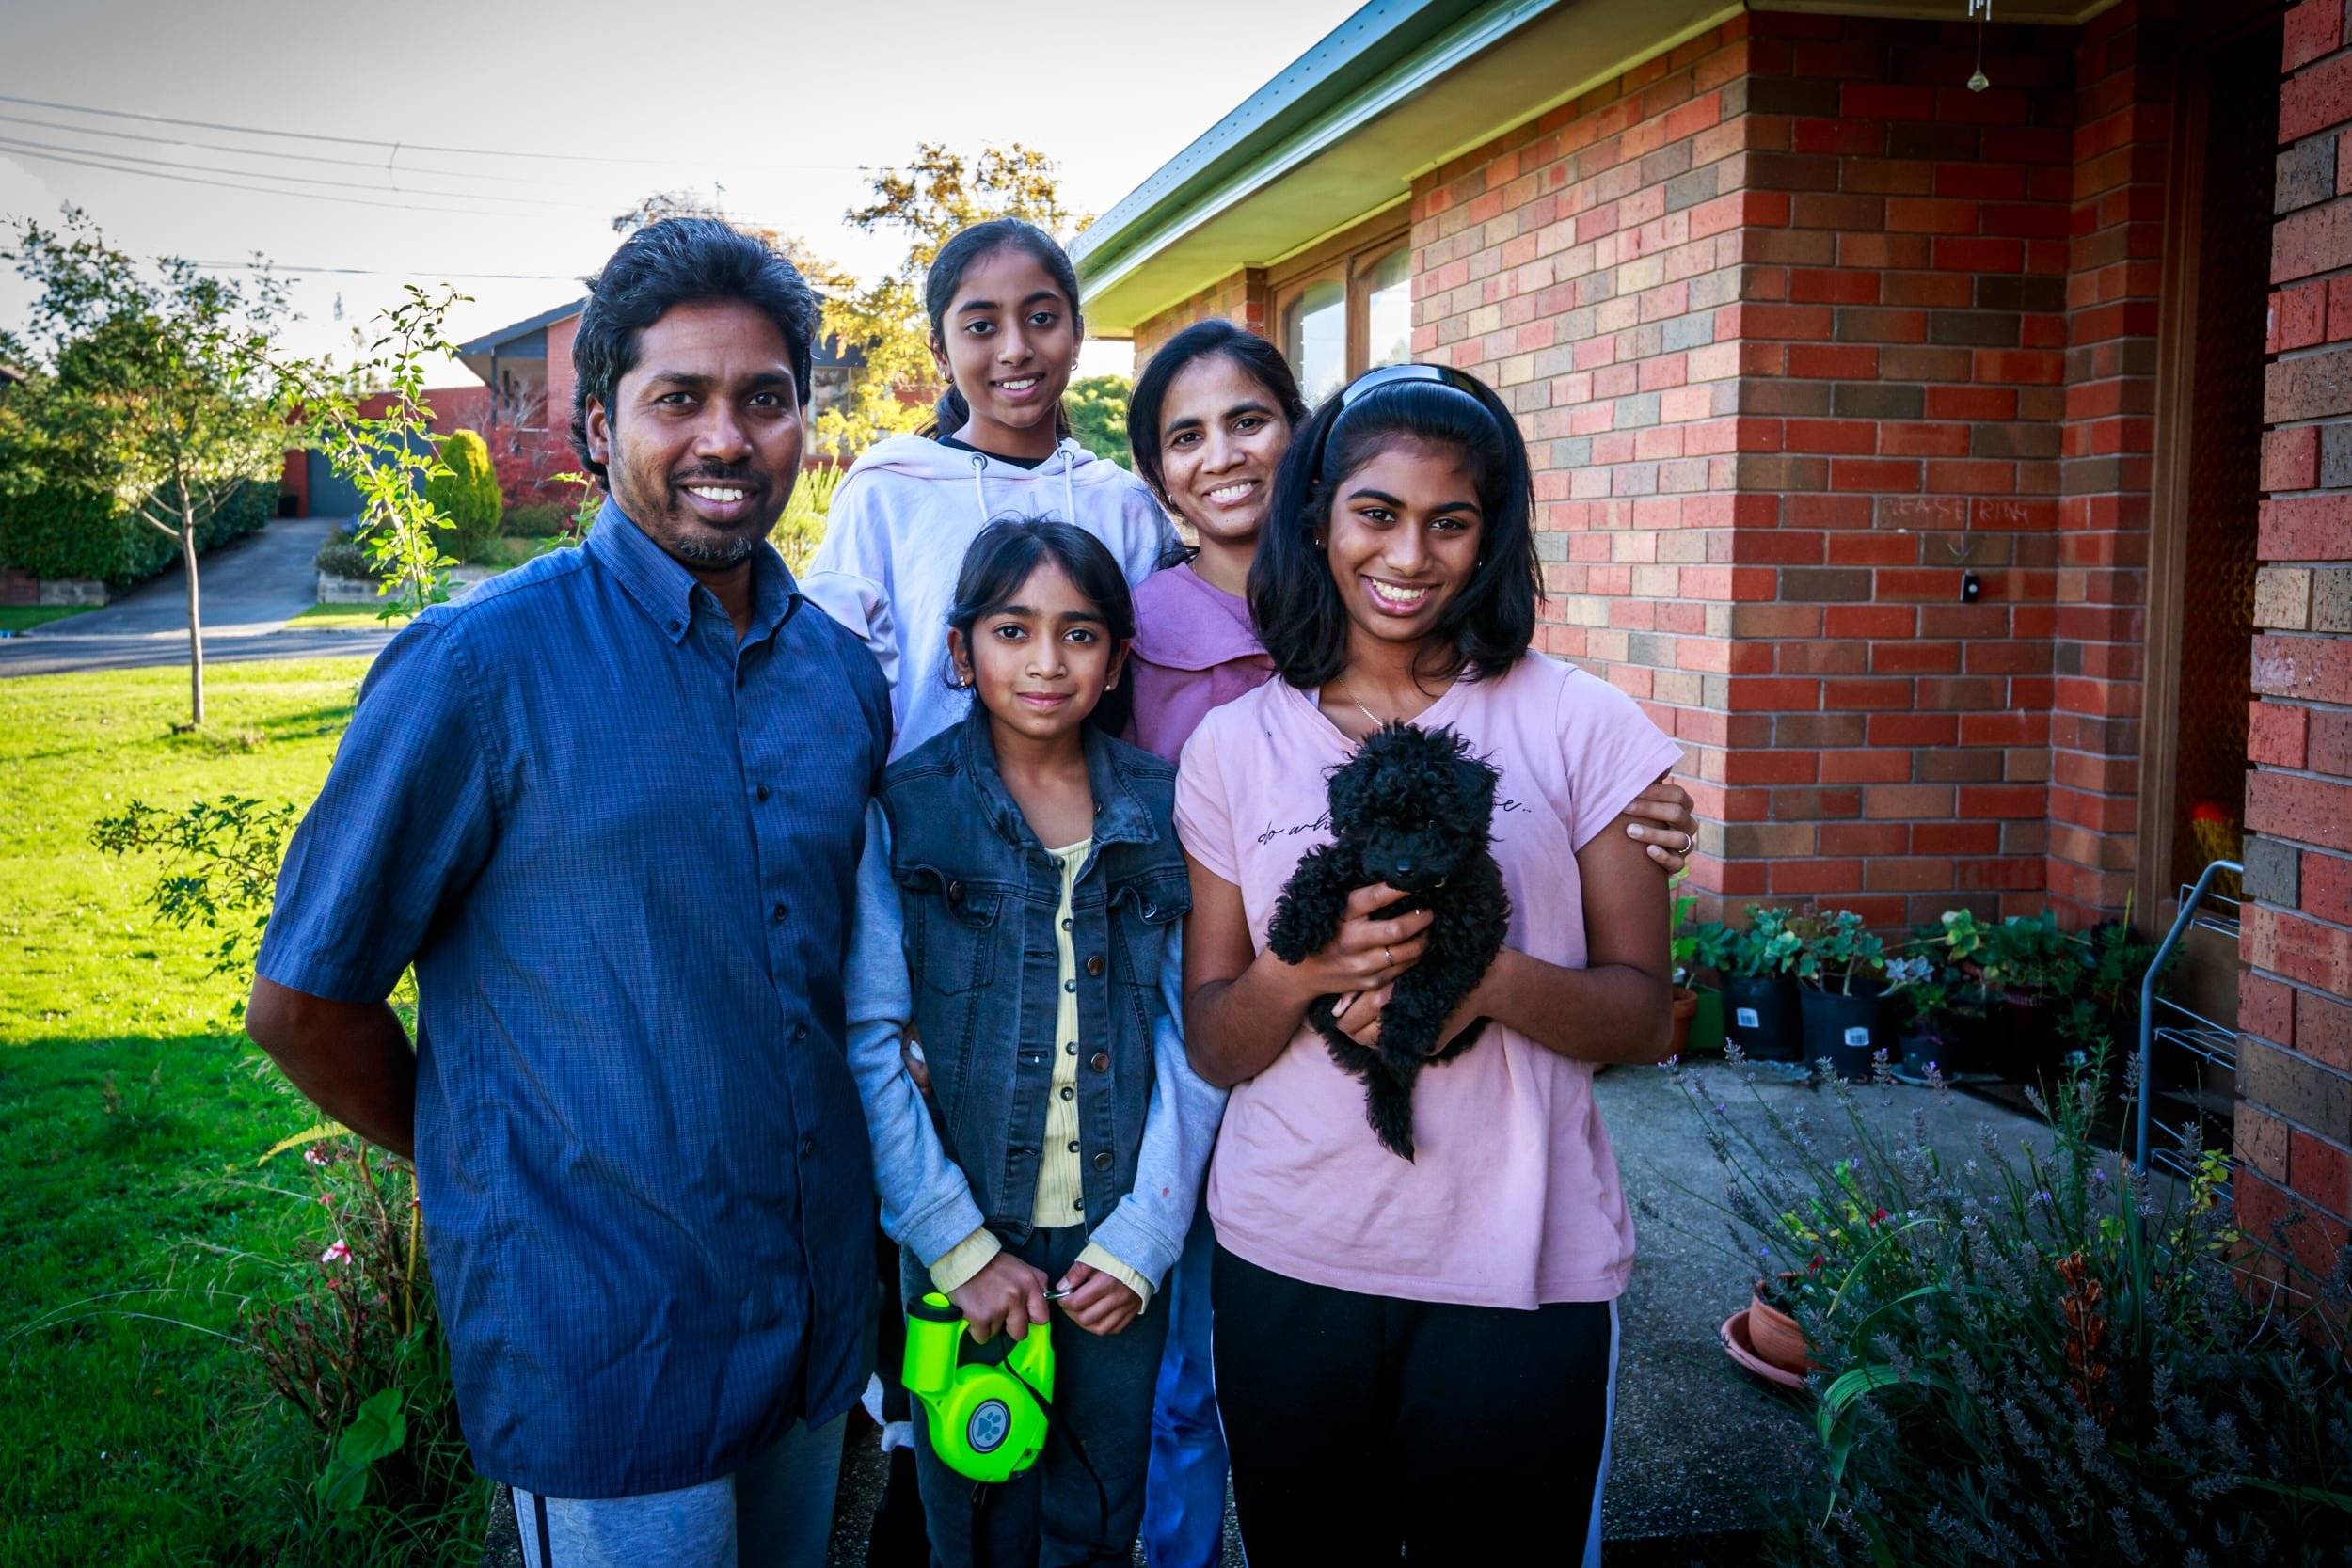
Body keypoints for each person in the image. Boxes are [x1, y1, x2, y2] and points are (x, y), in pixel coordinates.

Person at [244, 218, 887, 1568]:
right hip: (603, 1334)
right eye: (680, 399)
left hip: (818, 1309)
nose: (727, 437)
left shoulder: (841, 677)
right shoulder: (476, 669)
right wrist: (483, 1164)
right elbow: (306, 1000)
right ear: (600, 426)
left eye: (764, 399)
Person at [1120, 324, 1702, 1568]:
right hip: (1291, 1260)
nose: (1408, 554)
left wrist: (1486, 979)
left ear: (1492, 535)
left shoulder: (1583, 725)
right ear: (1321, 515)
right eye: (1377, 512)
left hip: (1520, 1265)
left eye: (1452, 521)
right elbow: (1219, 1039)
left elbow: (1644, 1018)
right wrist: (1307, 971)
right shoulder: (1233, 748)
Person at [843, 518, 1225, 1567]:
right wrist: (957, 1245)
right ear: (962, 652)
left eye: (1080, 634)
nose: (1047, 661)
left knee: (1101, 1510)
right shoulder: (907, 810)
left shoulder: (1160, 803)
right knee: (969, 1508)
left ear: (1115, 662)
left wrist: (1146, 1236)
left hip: (1114, 1249)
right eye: (1013, 629)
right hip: (962, 1244)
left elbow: (1193, 1037)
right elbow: (869, 1041)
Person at [804, 218, 1173, 761]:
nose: (1016, 349)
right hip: (926, 826)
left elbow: (1152, 683)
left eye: (1041, 319)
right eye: (981, 326)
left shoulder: (1122, 504)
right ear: (940, 353)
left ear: (1076, 337)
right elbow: (834, 683)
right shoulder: (888, 492)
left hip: (1100, 823)